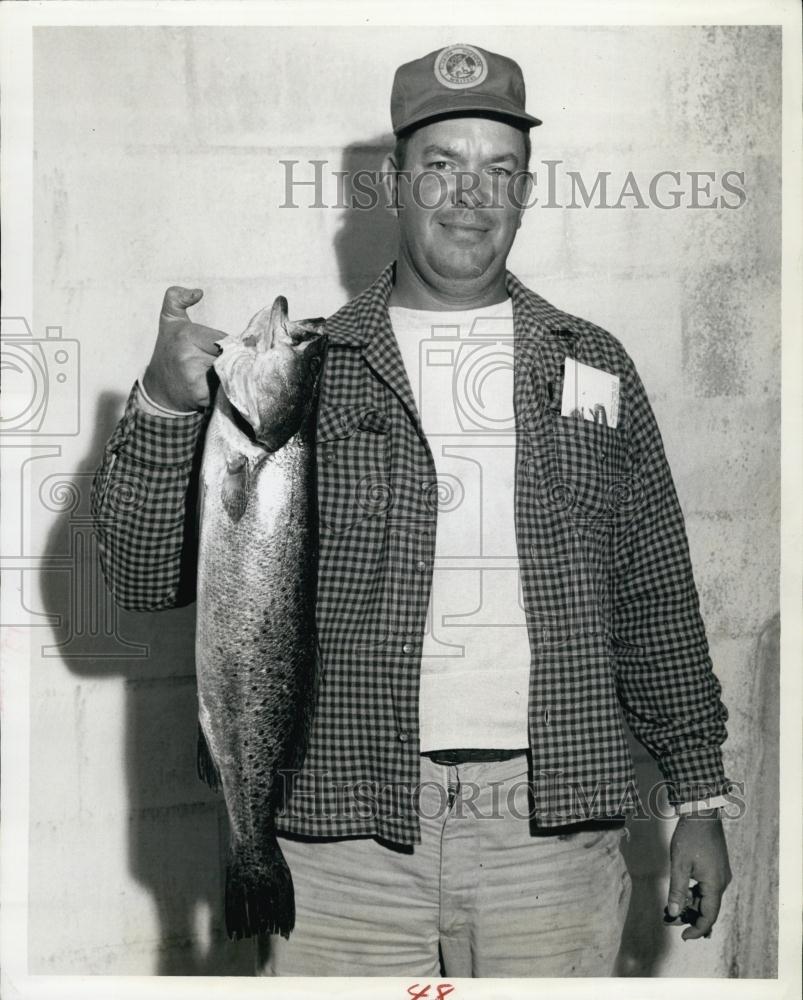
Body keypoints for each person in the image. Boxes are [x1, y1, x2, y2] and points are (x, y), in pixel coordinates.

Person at [91, 43, 733, 977]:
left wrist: (697, 801)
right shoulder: (303, 373)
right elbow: (144, 578)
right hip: (339, 840)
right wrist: (158, 406)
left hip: (551, 841)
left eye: (497, 171)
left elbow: (657, 598)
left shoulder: (591, 364)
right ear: (394, 182)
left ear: (524, 190)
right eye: (440, 166)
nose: (469, 195)